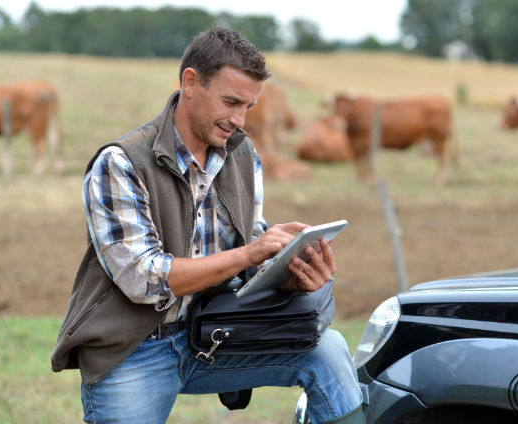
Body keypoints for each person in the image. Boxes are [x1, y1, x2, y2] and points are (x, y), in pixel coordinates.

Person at [51, 28, 365, 424]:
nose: (239, 119)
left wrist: (289, 272)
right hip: (132, 348)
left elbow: (249, 256)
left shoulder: (243, 154)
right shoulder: (120, 163)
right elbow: (142, 277)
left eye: (248, 106)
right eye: (231, 102)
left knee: (328, 351)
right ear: (190, 83)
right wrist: (249, 252)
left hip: (214, 333)